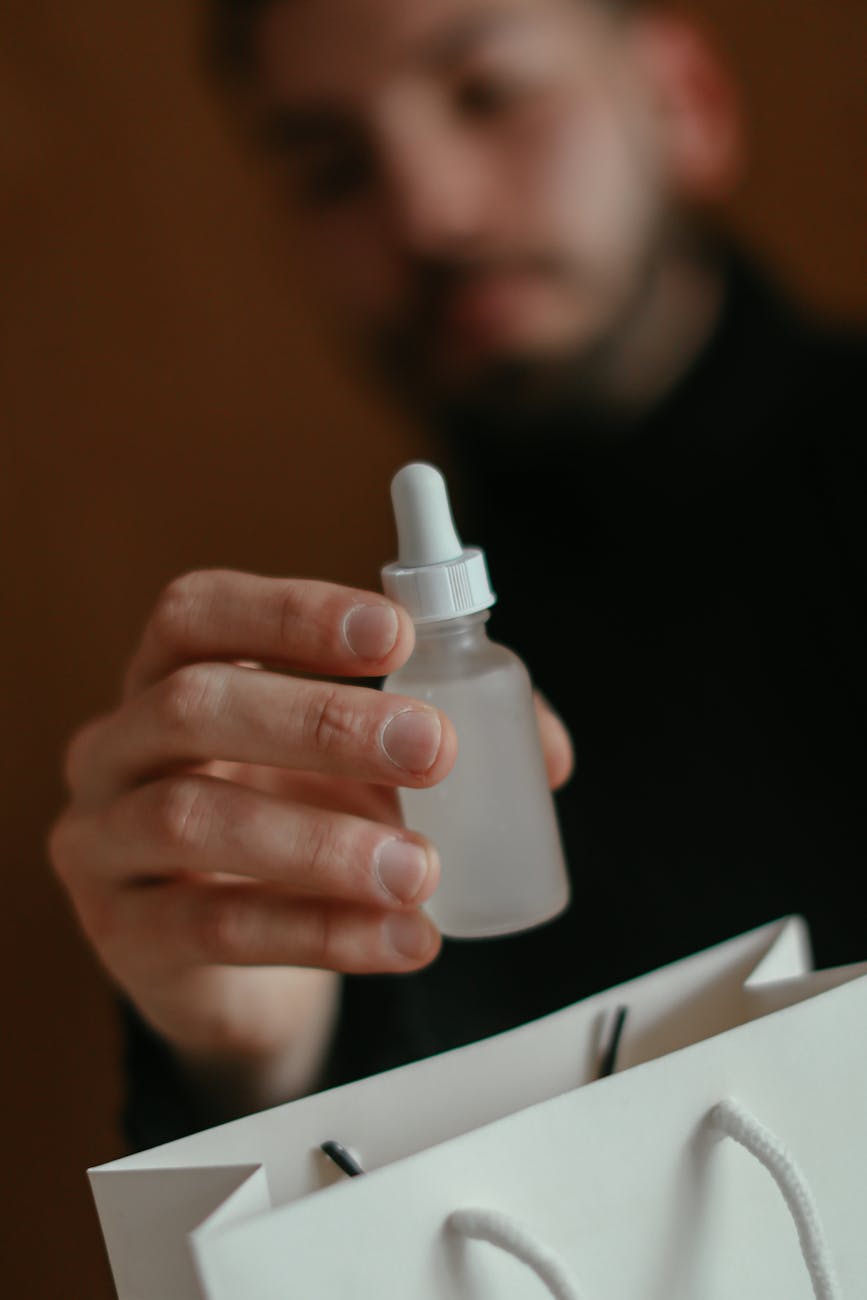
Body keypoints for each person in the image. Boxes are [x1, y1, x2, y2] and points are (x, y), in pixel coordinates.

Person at [49, 0, 865, 1151]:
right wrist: (265, 1071)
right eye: (333, 168)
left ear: (685, 96)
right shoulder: (350, 744)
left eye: (489, 91)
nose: (426, 210)